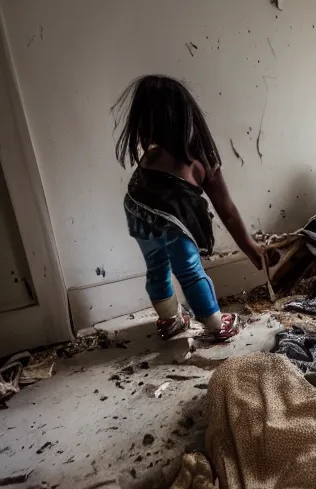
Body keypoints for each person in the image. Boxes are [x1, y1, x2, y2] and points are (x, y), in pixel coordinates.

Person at [111, 75, 262, 341]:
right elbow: (226, 209)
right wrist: (250, 248)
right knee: (190, 270)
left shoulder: (149, 153)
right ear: (187, 116)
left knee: (156, 266)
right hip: (172, 220)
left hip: (137, 210)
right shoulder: (199, 157)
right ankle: (216, 324)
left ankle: (169, 318)